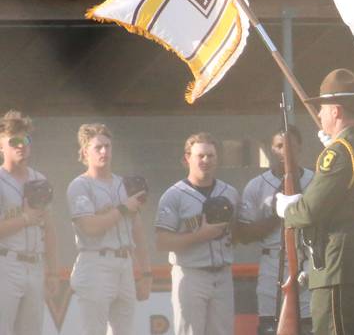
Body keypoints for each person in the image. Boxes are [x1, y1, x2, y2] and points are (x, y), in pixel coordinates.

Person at [275, 68, 354, 334]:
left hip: (339, 263)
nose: (321, 114)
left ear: (336, 111)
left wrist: (288, 209)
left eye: (324, 108)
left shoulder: (339, 151)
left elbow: (311, 209)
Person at [67, 123, 151, 335]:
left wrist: (146, 272)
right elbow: (89, 228)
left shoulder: (125, 183)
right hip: (95, 262)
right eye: (98, 147)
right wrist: (122, 208)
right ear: (85, 151)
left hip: (125, 263)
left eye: (107, 146)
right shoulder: (80, 185)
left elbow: (137, 230)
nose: (104, 151)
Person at [155, 132, 239, 335]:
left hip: (223, 273)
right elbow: (161, 242)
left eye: (210, 155)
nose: (206, 160)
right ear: (187, 159)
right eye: (200, 155)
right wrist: (201, 235)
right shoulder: (173, 195)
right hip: (191, 273)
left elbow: (238, 233)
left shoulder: (230, 193)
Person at [238, 125, 314, 335]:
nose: (284, 151)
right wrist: (278, 213)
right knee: (271, 326)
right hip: (272, 263)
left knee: (309, 326)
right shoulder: (256, 186)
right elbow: (244, 235)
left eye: (290, 146)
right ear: (272, 149)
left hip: (308, 261)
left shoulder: (315, 181)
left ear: (300, 147)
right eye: (279, 146)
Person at [0, 111, 59, 335]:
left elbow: (50, 229)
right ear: (1, 146)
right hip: (6, 263)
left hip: (35, 265)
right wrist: (24, 219)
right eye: (14, 141)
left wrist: (53, 272)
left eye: (26, 140)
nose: (21, 145)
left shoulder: (39, 179)